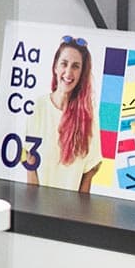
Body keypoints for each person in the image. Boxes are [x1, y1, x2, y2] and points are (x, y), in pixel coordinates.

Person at [27, 36, 101, 193]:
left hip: (70, 211)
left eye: (75, 66)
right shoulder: (38, 107)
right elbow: (29, 162)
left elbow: (88, 174)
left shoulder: (89, 116)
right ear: (55, 67)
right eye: (64, 64)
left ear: (82, 74)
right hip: (38, 207)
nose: (68, 72)